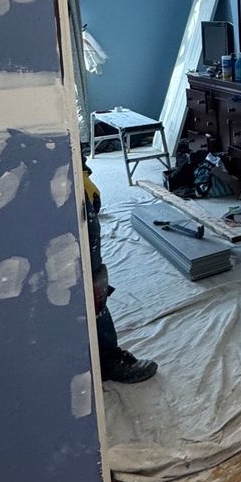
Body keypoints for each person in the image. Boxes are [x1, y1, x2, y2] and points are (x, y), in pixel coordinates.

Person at [83, 157, 158, 383]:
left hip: (66, 183)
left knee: (94, 280)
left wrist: (81, 174)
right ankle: (101, 358)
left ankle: (105, 355)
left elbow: (65, 134)